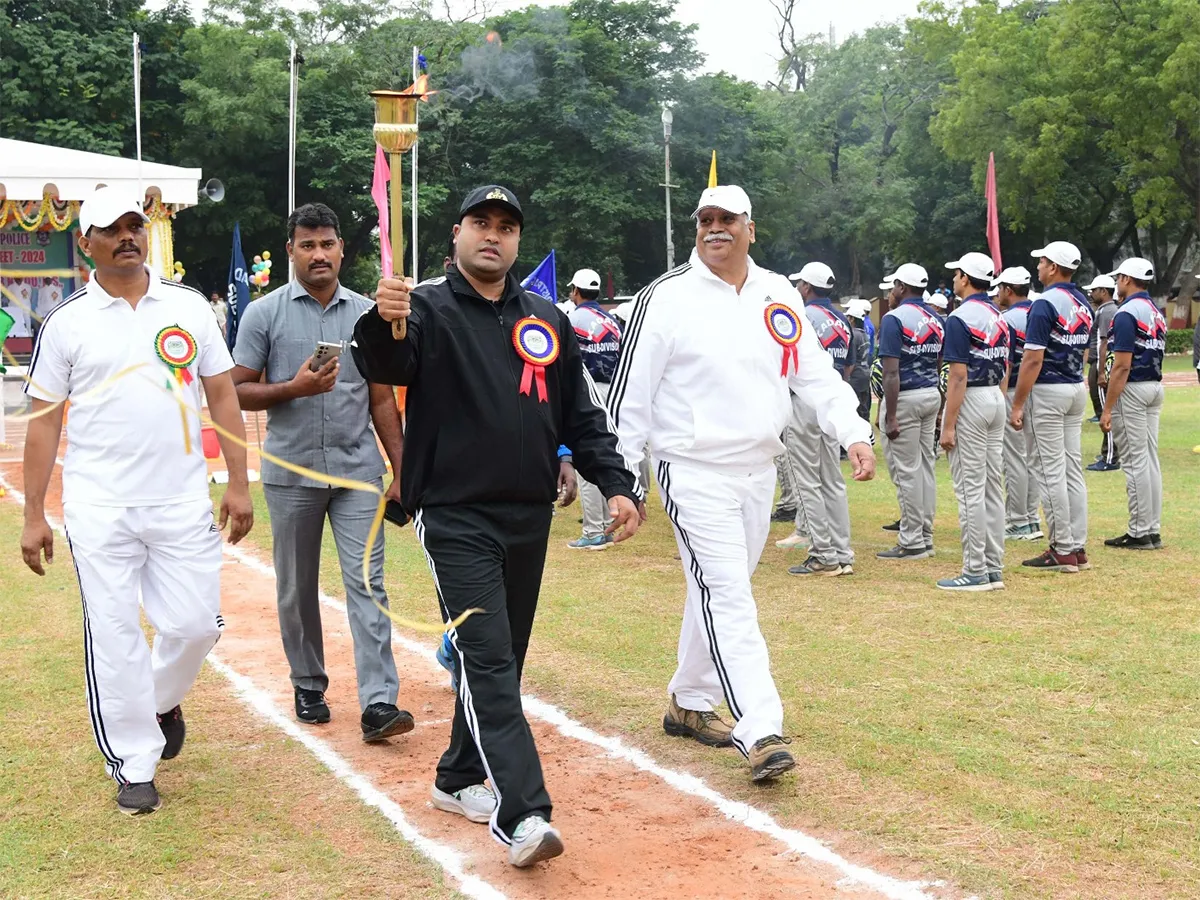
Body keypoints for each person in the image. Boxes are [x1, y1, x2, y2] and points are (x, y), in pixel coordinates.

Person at [352, 184, 641, 868]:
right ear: (456, 233)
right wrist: (382, 320)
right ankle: (523, 813)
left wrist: (616, 482)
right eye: (481, 222)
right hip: (452, 514)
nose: (494, 235)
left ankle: (456, 776)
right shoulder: (422, 306)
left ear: (517, 241)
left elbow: (579, 413)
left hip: (528, 514)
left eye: (506, 226)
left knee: (502, 656)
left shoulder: (545, 317)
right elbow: (389, 364)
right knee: (487, 657)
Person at [608, 185, 874, 782]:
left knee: (717, 591)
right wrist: (623, 480)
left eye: (728, 219)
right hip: (691, 470)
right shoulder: (664, 298)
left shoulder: (778, 292)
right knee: (729, 595)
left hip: (759, 471)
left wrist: (853, 432)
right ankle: (761, 727)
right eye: (705, 220)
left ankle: (689, 702)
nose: (715, 228)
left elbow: (814, 373)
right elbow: (630, 398)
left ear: (752, 227)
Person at [19, 186, 254, 815]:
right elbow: (43, 422)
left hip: (181, 501)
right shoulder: (66, 321)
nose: (128, 235)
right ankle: (134, 762)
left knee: (196, 625)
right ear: (87, 241)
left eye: (135, 224)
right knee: (115, 631)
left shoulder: (188, 309)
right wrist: (33, 512)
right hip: (100, 509)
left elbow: (222, 396)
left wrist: (238, 480)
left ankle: (156, 700)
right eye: (113, 228)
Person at [230, 202, 410, 740]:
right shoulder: (264, 314)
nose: (318, 254)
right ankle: (308, 682)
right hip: (291, 474)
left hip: (359, 473)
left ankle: (379, 703)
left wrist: (402, 470)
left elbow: (382, 401)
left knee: (367, 583)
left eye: (327, 243)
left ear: (340, 249)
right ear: (291, 252)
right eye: (306, 245)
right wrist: (293, 388)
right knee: (296, 588)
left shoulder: (367, 316)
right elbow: (236, 389)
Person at [1009, 241, 1093, 573]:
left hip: (1048, 392)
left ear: (1054, 267)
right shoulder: (1083, 302)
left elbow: (1032, 358)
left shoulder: (1044, 303)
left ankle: (1062, 549)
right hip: (1075, 387)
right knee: (1072, 469)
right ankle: (1078, 546)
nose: (1038, 268)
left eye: (1042, 262)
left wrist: (1018, 403)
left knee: (1048, 470)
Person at [937, 253, 1008, 591]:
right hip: (995, 396)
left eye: (956, 274)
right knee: (992, 487)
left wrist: (948, 424)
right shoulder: (998, 313)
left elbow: (958, 377)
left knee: (970, 489)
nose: (953, 280)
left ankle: (975, 570)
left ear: (965, 278)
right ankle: (993, 567)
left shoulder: (959, 317)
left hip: (973, 399)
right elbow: (1005, 365)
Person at [784, 261, 857, 577]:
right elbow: (850, 366)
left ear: (805, 287)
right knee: (832, 479)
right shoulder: (843, 319)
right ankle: (842, 552)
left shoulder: (798, 316)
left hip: (804, 401)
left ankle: (824, 554)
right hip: (833, 400)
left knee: (806, 480)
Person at [876, 263, 944, 559]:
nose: (891, 293)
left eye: (893, 287)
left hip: (905, 398)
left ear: (903, 287)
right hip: (931, 394)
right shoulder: (936, 317)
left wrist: (890, 416)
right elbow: (939, 363)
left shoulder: (894, 319)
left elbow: (890, 372)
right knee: (925, 467)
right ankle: (924, 532)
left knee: (905, 471)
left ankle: (912, 539)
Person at [1100, 258, 1167, 550]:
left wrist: (1107, 407)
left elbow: (1122, 365)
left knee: (1135, 460)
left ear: (1127, 278)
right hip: (1154, 386)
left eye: (1119, 278)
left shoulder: (1126, 313)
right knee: (1149, 458)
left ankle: (1139, 530)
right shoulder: (1156, 311)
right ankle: (1151, 527)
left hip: (1134, 389)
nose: (1117, 283)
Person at [564, 268, 624, 550]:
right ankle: (606, 523)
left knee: (585, 457)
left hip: (588, 392)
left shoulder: (572, 319)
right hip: (613, 391)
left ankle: (593, 531)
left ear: (575, 291)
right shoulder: (611, 319)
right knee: (605, 453)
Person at [993, 268, 1044, 542]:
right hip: (1038, 390)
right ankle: (1032, 518)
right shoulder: (1038, 312)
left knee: (1013, 459)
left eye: (1000, 288)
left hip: (1013, 391)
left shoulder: (1006, 319)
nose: (998, 293)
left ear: (1008, 290)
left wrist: (1002, 399)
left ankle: (1017, 520)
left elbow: (1006, 363)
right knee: (1032, 458)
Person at [1082, 274, 1120, 470]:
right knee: (1104, 409)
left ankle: (1110, 457)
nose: (1091, 293)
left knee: (1105, 410)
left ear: (1104, 291)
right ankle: (1109, 450)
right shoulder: (1107, 310)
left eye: (1094, 290)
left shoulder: (1106, 312)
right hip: (1100, 365)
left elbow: (1104, 342)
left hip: (1101, 365)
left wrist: (1102, 372)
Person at [844, 298, 874, 423]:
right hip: (865, 374)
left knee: (853, 411)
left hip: (855, 376)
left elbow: (851, 359)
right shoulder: (864, 334)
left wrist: (845, 378)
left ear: (852, 319)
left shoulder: (853, 335)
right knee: (863, 410)